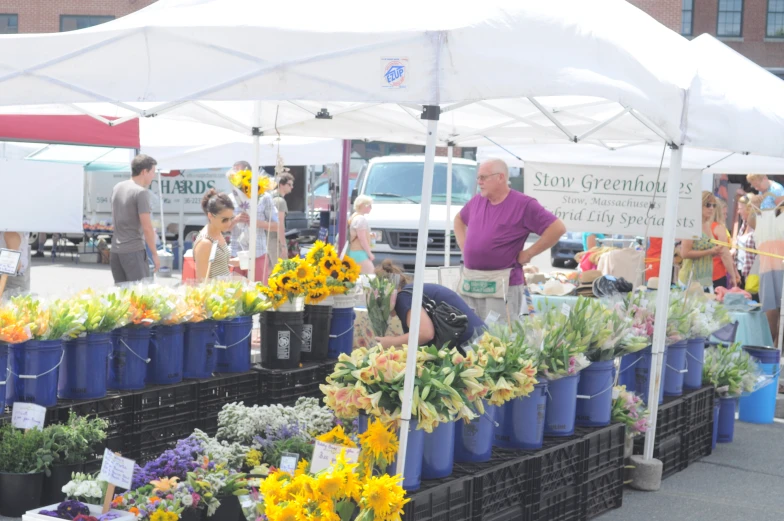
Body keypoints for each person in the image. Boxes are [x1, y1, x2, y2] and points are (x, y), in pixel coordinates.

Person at [454, 158, 565, 321]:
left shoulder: (524, 204)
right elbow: (459, 219)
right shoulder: (477, 200)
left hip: (503, 283)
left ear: (500, 177)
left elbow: (557, 228)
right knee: (470, 331)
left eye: (483, 177)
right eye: (478, 178)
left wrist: (529, 253)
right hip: (472, 281)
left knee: (498, 334)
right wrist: (465, 246)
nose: (479, 182)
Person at [374, 260, 485, 350]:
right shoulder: (410, 292)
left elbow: (425, 333)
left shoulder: (404, 298)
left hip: (473, 346)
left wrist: (391, 342)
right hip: (478, 339)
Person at [110, 154, 159, 284]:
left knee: (122, 296)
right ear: (144, 171)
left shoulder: (118, 187)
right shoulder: (141, 192)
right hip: (133, 251)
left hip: (115, 251)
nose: (153, 176)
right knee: (138, 297)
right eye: (152, 172)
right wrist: (154, 253)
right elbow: (147, 228)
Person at [226, 160, 279, 282]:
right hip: (235, 251)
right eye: (234, 172)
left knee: (258, 291)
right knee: (234, 292)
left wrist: (258, 223)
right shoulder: (229, 199)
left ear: (249, 175)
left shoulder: (264, 197)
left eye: (238, 172)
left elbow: (276, 226)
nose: (235, 176)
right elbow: (223, 228)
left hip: (258, 252)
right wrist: (235, 220)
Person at [678, 191, 737, 290]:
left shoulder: (707, 224)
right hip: (690, 279)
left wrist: (715, 251)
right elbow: (684, 253)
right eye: (708, 205)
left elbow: (719, 252)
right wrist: (710, 251)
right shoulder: (692, 224)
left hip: (706, 279)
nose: (711, 208)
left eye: (714, 206)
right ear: (699, 205)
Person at [194, 189, 237, 280]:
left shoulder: (218, 233)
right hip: (214, 293)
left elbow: (217, 263)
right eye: (224, 220)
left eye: (231, 218)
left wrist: (234, 262)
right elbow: (202, 282)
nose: (229, 223)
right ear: (210, 216)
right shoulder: (205, 243)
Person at [732, 194, 758, 299]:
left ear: (749, 209)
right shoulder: (744, 224)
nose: (738, 212)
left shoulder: (757, 226)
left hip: (752, 275)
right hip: (740, 272)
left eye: (740, 209)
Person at [268, 172, 294, 262]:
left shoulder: (269, 198)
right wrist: (283, 245)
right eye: (289, 184)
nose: (292, 187)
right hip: (276, 241)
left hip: (266, 240)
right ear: (281, 185)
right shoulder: (280, 201)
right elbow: (280, 224)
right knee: (281, 271)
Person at [346, 195, 375, 274]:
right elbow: (362, 239)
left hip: (353, 251)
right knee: (370, 276)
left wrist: (368, 234)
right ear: (362, 205)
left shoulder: (354, 216)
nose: (371, 208)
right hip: (359, 252)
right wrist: (369, 253)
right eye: (369, 205)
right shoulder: (361, 219)